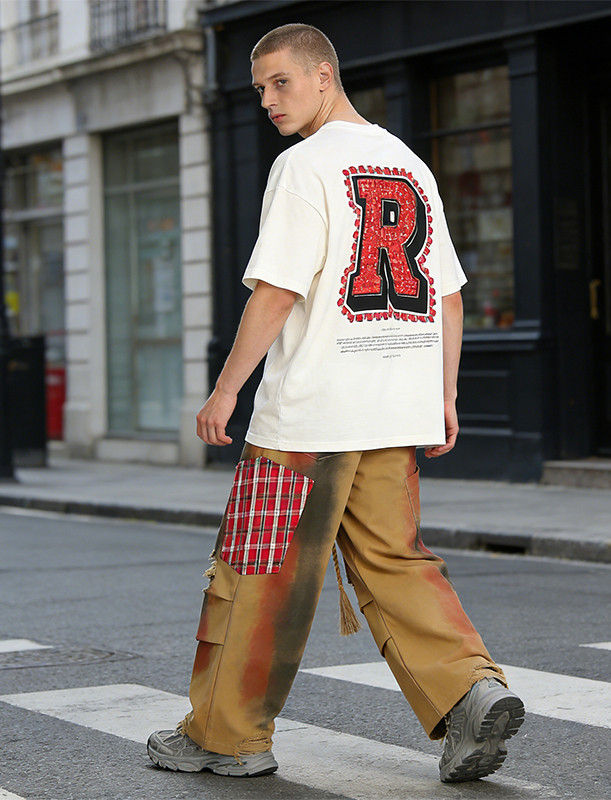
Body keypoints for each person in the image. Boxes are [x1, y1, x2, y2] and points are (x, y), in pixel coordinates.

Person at [148, 23, 524, 784]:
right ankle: (470, 691)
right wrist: (443, 395)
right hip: (394, 410)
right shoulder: (408, 163)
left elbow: (279, 289)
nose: (266, 100)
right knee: (397, 562)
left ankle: (227, 736)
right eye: (258, 88)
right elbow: (449, 295)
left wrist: (227, 388)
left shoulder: (304, 166)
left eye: (280, 83)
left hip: (308, 417)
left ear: (325, 76)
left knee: (256, 574)